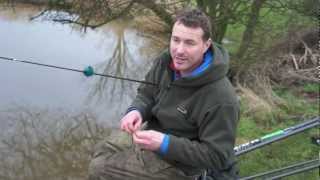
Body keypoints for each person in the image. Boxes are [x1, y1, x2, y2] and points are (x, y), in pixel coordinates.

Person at [88, 8, 240, 180]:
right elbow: (147, 93)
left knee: (99, 168)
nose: (179, 50)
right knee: (101, 149)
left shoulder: (222, 98)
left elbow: (217, 156)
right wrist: (136, 111)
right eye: (176, 40)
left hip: (179, 165)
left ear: (206, 45)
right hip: (151, 134)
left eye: (189, 43)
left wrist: (165, 144)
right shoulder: (166, 61)